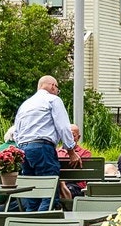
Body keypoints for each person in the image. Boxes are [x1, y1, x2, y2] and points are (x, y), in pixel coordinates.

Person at [11, 75, 80, 210]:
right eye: (57, 89)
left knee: (32, 195)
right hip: (43, 148)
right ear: (53, 86)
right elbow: (63, 127)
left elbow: (16, 132)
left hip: (24, 150)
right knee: (49, 194)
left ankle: (30, 221)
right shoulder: (53, 100)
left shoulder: (25, 104)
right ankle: (42, 221)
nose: (57, 92)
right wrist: (71, 151)